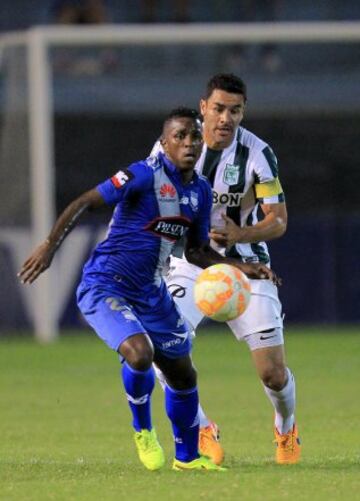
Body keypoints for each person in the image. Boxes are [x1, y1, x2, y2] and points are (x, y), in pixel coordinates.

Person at [18, 107, 275, 472]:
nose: (188, 143)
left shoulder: (200, 192)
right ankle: (143, 430)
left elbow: (197, 250)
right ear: (165, 143)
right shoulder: (142, 175)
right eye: (180, 136)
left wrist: (241, 267)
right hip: (106, 285)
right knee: (140, 352)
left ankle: (187, 458)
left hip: (152, 293)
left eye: (194, 136)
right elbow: (86, 202)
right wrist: (49, 245)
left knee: (183, 374)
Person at [151, 74, 301, 466]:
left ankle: (286, 429)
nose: (225, 118)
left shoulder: (257, 154)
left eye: (235, 110)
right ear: (203, 108)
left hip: (245, 266)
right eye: (218, 108)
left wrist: (242, 231)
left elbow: (279, 220)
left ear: (242, 112)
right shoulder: (173, 144)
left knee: (273, 373)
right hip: (188, 264)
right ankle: (202, 427)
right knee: (162, 353)